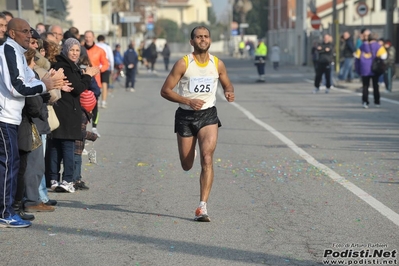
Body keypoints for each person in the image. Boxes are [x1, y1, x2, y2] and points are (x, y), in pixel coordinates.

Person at [160, 26, 235, 222]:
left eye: (206, 36)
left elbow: (227, 83)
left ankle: (202, 206)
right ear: (192, 41)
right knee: (186, 165)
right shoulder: (183, 64)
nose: (203, 39)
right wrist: (187, 101)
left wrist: (229, 91)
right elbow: (165, 90)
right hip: (185, 116)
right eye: (199, 37)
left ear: (210, 40)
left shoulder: (217, 64)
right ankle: (189, 151)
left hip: (208, 115)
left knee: (207, 157)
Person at [0, 18, 60, 228]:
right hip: (4, 117)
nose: (29, 35)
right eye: (24, 31)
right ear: (12, 33)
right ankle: (6, 213)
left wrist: (47, 80)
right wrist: (44, 86)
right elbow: (17, 88)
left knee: (12, 165)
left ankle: (10, 209)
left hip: (12, 117)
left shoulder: (16, 51)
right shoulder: (8, 50)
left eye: (30, 32)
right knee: (8, 166)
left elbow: (29, 79)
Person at [47, 38, 99, 193]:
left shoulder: (64, 65)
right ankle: (68, 180)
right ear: (66, 50)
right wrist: (88, 75)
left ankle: (53, 178)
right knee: (68, 146)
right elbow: (78, 88)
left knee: (56, 146)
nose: (75, 53)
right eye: (72, 50)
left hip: (61, 109)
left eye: (77, 50)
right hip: (68, 111)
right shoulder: (66, 67)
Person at [84, 30, 109, 136]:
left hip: (95, 82)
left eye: (90, 37)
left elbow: (106, 64)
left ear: (93, 38)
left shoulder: (100, 50)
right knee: (82, 107)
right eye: (86, 37)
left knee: (94, 106)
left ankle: (94, 127)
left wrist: (98, 69)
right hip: (83, 80)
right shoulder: (80, 49)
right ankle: (83, 128)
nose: (88, 39)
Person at [355, 32, 387, 108]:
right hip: (374, 68)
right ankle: (377, 101)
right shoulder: (378, 46)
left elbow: (357, 56)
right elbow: (384, 56)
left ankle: (365, 102)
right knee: (375, 85)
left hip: (364, 69)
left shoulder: (362, 46)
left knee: (365, 86)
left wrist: (358, 69)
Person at [96, 35, 114, 108]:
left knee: (97, 84)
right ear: (104, 39)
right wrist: (112, 68)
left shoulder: (95, 46)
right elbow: (111, 58)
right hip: (105, 67)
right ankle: (103, 102)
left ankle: (97, 101)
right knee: (104, 85)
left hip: (96, 67)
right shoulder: (107, 47)